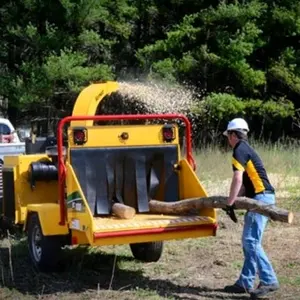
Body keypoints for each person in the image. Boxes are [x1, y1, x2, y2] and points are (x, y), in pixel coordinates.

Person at [222, 118, 280, 298]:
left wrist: (230, 203)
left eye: (228, 136)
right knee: (250, 242)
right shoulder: (246, 149)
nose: (228, 139)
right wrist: (234, 199)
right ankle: (245, 282)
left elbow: (237, 179)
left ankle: (269, 280)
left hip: (261, 199)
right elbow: (244, 186)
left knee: (251, 241)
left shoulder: (239, 150)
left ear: (233, 134)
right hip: (260, 197)